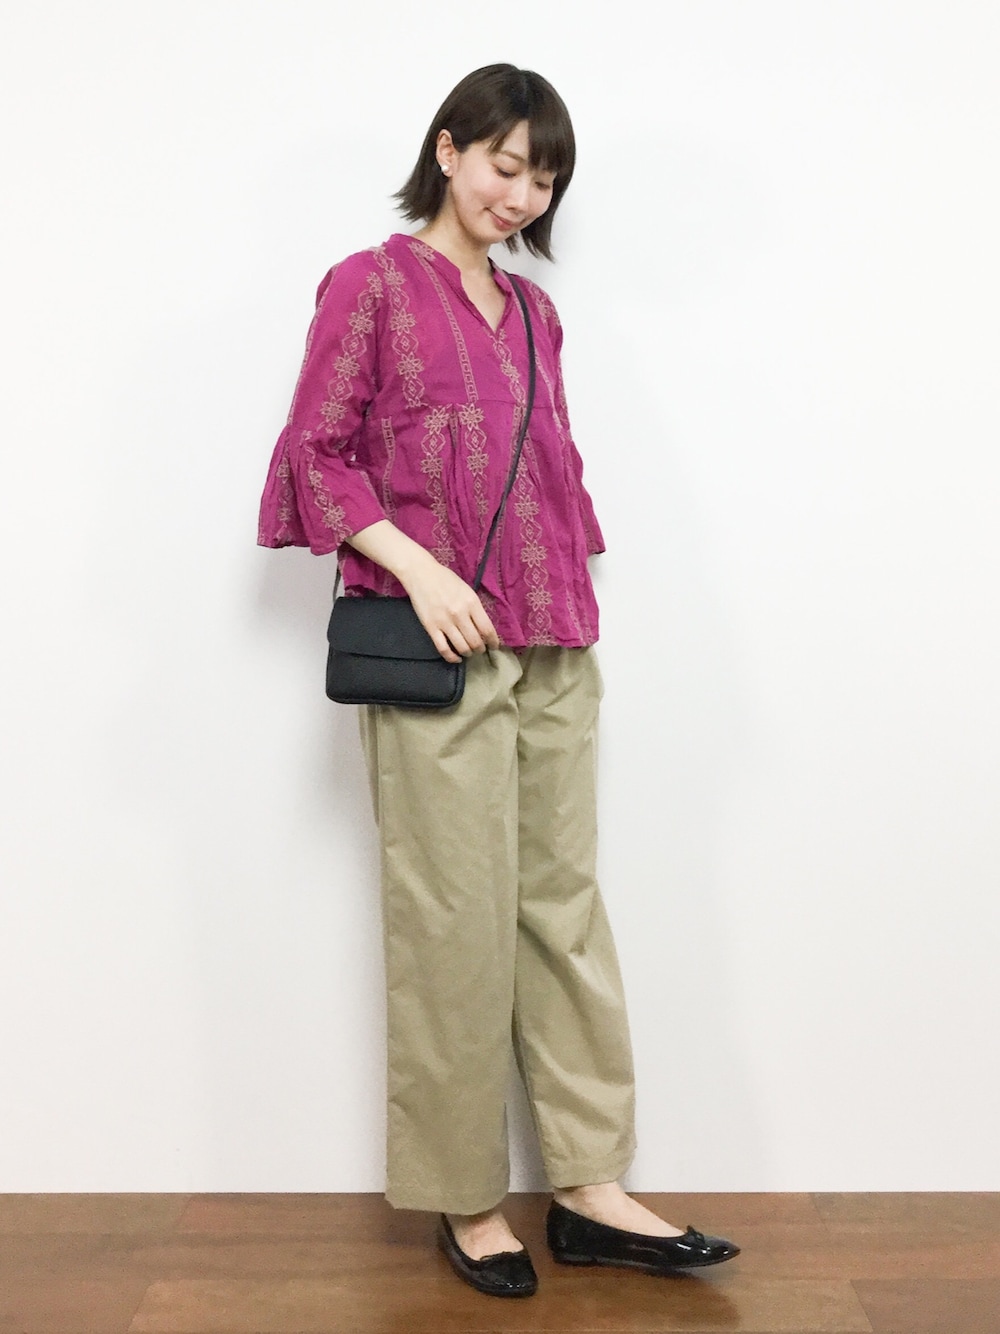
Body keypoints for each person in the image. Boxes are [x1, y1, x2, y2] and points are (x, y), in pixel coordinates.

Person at [258, 63, 739, 1298]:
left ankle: (587, 1185)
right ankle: (466, 1195)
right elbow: (316, 452)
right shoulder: (368, 284)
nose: (519, 195)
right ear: (449, 149)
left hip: (556, 637)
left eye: (543, 178)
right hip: (438, 652)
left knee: (561, 912)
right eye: (505, 163)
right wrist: (418, 570)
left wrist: (568, 595)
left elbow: (552, 468)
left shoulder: (533, 313)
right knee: (453, 922)